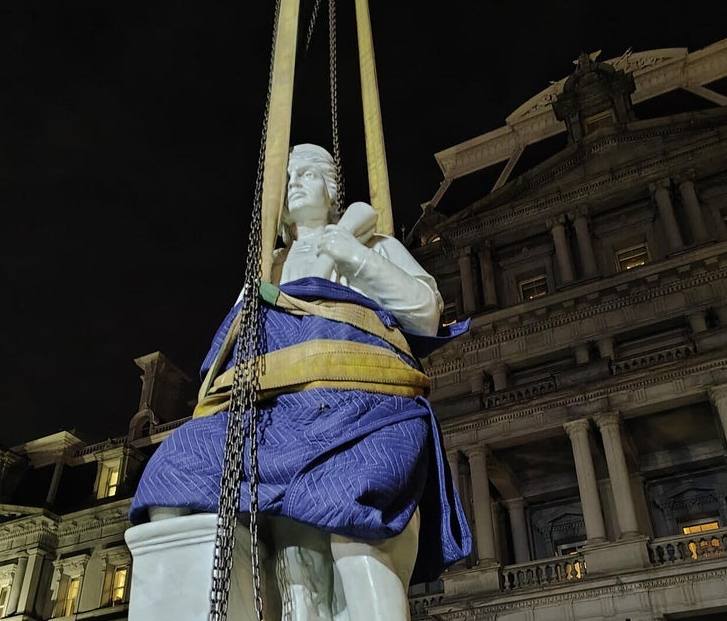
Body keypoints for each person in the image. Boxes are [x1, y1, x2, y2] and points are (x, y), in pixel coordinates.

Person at [129, 144, 471, 619]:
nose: (295, 184)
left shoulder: (374, 245)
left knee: (357, 528)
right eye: (287, 178)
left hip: (365, 407)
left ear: (331, 191)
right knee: (171, 468)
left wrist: (352, 255)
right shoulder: (268, 268)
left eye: (308, 174)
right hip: (276, 415)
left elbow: (425, 313)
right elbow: (225, 353)